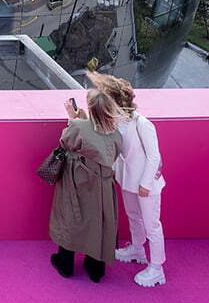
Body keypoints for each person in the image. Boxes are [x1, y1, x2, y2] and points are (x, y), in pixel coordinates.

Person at [89, 72, 167, 287]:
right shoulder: (116, 122)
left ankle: (157, 268)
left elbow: (154, 156)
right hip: (127, 180)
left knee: (152, 225)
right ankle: (137, 248)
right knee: (133, 216)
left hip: (145, 183)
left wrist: (145, 184)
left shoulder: (142, 123)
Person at [48, 87, 124, 283]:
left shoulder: (79, 127)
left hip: (78, 180)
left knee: (71, 217)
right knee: (98, 221)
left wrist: (72, 118)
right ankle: (95, 269)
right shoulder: (115, 133)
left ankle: (65, 264)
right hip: (104, 184)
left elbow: (66, 142)